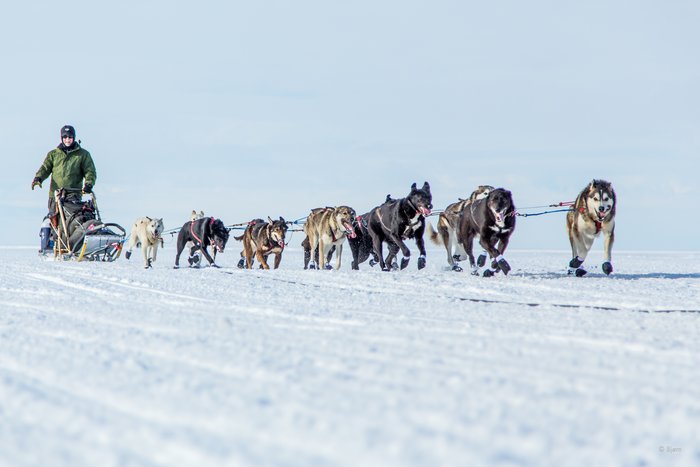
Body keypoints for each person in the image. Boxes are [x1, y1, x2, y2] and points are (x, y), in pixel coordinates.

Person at [32, 124, 97, 252]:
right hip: (55, 195)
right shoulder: (54, 154)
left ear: (74, 138)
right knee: (55, 221)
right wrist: (38, 178)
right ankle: (56, 245)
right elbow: (45, 168)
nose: (68, 139)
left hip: (73, 194)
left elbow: (90, 171)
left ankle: (71, 245)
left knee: (70, 221)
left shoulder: (82, 155)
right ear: (61, 138)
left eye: (70, 137)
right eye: (65, 137)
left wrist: (88, 184)